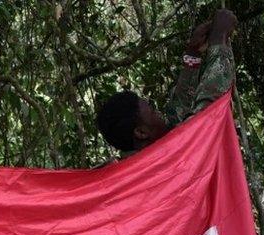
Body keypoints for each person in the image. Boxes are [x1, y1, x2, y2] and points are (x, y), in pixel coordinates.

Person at [96, 9, 238, 157]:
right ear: (141, 132)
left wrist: (193, 54)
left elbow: (178, 116)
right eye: (151, 110)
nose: (158, 112)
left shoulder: (149, 156)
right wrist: (219, 41)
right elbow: (206, 118)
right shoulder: (163, 160)